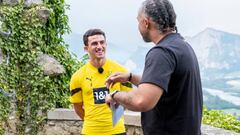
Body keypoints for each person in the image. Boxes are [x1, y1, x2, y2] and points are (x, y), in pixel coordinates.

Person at [105, 0, 203, 135]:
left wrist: (115, 96)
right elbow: (160, 84)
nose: (138, 26)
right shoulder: (182, 46)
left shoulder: (161, 52)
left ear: (146, 23)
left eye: (138, 21)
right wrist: (130, 77)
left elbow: (141, 101)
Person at [69, 29, 132, 135]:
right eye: (94, 43)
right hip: (90, 131)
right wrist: (93, 123)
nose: (99, 46)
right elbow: (78, 107)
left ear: (106, 44)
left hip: (117, 131)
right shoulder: (77, 77)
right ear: (86, 48)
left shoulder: (121, 72)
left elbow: (130, 98)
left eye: (102, 42)